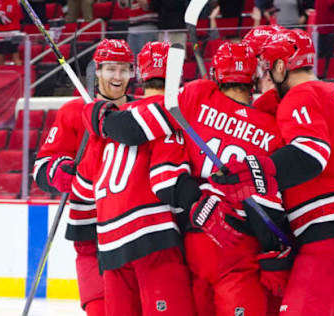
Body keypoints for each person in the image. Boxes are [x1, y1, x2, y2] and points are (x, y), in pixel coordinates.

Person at [82, 41, 293, 316]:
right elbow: (268, 203)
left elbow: (159, 171)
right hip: (240, 242)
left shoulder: (196, 98)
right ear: (253, 77)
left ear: (216, 74)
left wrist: (98, 113)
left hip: (196, 241)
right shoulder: (270, 125)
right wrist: (274, 255)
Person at [209, 28, 334, 316]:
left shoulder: (299, 97)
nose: (261, 75)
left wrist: (257, 169)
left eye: (264, 65)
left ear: (280, 66)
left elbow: (311, 155)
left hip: (333, 231)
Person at [73, 41, 196, 316]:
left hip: (109, 246)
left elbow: (82, 187)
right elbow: (166, 180)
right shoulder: (171, 113)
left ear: (138, 74)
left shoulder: (111, 122)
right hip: (152, 235)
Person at [33, 39, 136, 316]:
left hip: (135, 232)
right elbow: (41, 168)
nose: (117, 77)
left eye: (124, 69)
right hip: (89, 231)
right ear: (97, 71)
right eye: (111, 69)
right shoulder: (73, 112)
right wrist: (58, 171)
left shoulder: (141, 111)